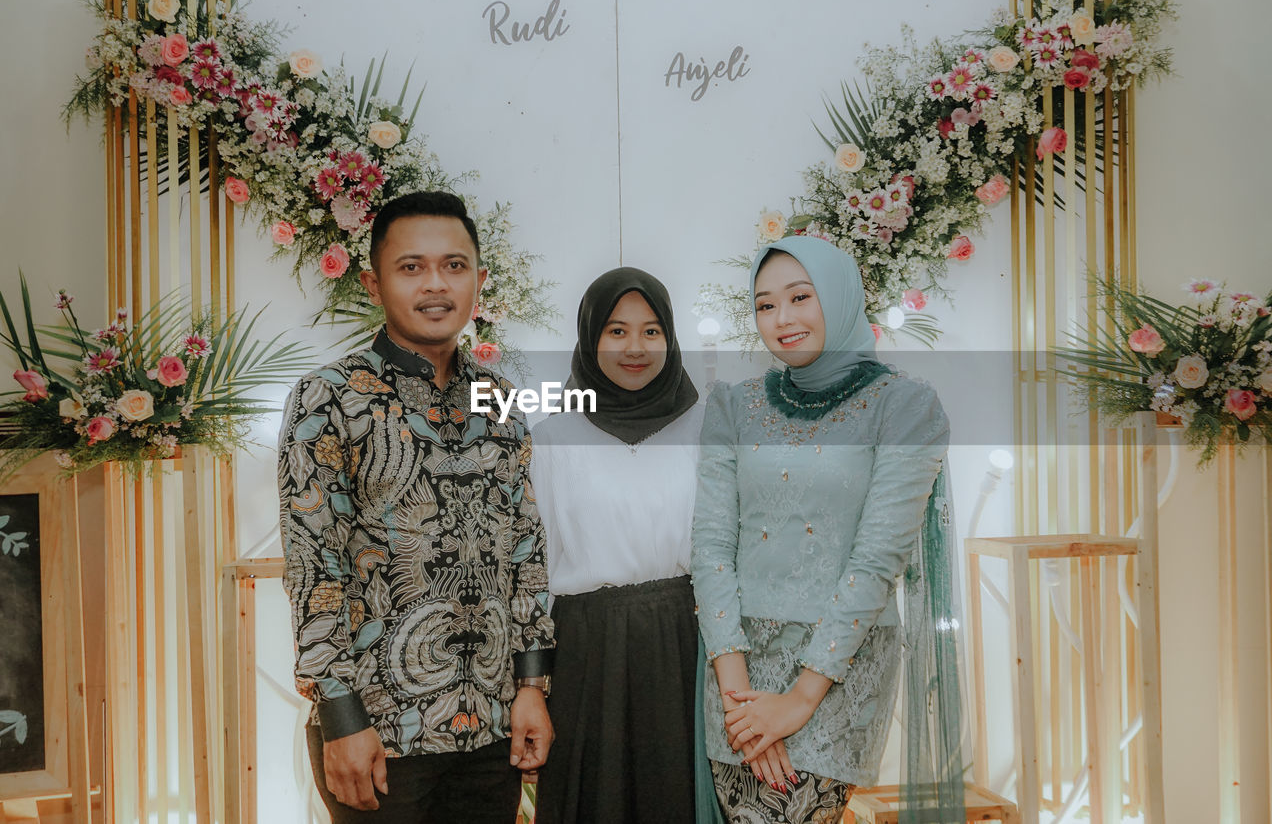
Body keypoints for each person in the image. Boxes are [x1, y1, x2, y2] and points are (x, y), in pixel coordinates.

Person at [277, 191, 556, 823]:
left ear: (479, 280)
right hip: (378, 732)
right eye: (412, 267)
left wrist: (531, 688)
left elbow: (525, 551)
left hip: (489, 727)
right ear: (374, 283)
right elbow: (313, 568)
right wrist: (342, 717)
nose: (436, 284)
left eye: (455, 266)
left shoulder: (499, 400)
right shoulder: (329, 398)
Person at [691, 234, 964, 823]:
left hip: (835, 672)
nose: (782, 319)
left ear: (838, 299)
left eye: (799, 297)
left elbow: (876, 561)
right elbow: (711, 547)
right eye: (765, 305)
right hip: (734, 666)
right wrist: (740, 703)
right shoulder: (732, 406)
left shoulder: (905, 406)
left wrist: (797, 701)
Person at [531, 267, 712, 824]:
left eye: (652, 331)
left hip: (685, 643)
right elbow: (535, 568)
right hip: (587, 650)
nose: (635, 347)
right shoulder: (553, 434)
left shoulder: (707, 426)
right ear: (589, 338)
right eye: (616, 331)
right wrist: (534, 684)